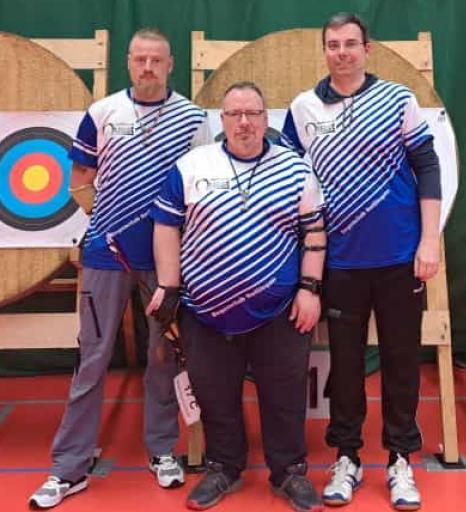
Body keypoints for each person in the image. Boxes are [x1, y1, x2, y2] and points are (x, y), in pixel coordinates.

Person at [28, 28, 209, 509]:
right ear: (129, 63)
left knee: (162, 357)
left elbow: (200, 185)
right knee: (92, 358)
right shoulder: (102, 112)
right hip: (105, 257)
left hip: (167, 260)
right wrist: (107, 226)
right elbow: (79, 179)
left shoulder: (193, 119)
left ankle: (161, 450)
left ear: (170, 64)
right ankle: (69, 466)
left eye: (156, 60)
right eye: (140, 59)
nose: (148, 67)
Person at [281, 13, 442, 511]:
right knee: (346, 365)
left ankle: (400, 459)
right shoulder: (303, 108)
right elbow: (287, 179)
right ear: (324, 50)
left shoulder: (397, 99)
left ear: (367, 49)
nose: (342, 52)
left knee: (401, 361)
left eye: (351, 44)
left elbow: (427, 165)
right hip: (340, 262)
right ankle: (347, 457)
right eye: (333, 44)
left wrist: (429, 241)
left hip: (399, 257)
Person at [147, 81, 326, 512]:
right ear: (222, 120)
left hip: (280, 311)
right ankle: (223, 467)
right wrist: (168, 286)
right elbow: (166, 226)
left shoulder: (296, 169)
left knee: (284, 395)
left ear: (265, 118)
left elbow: (315, 233)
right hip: (204, 311)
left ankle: (289, 471)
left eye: (253, 113)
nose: (244, 122)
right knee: (214, 394)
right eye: (234, 114)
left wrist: (310, 289)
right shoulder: (191, 166)